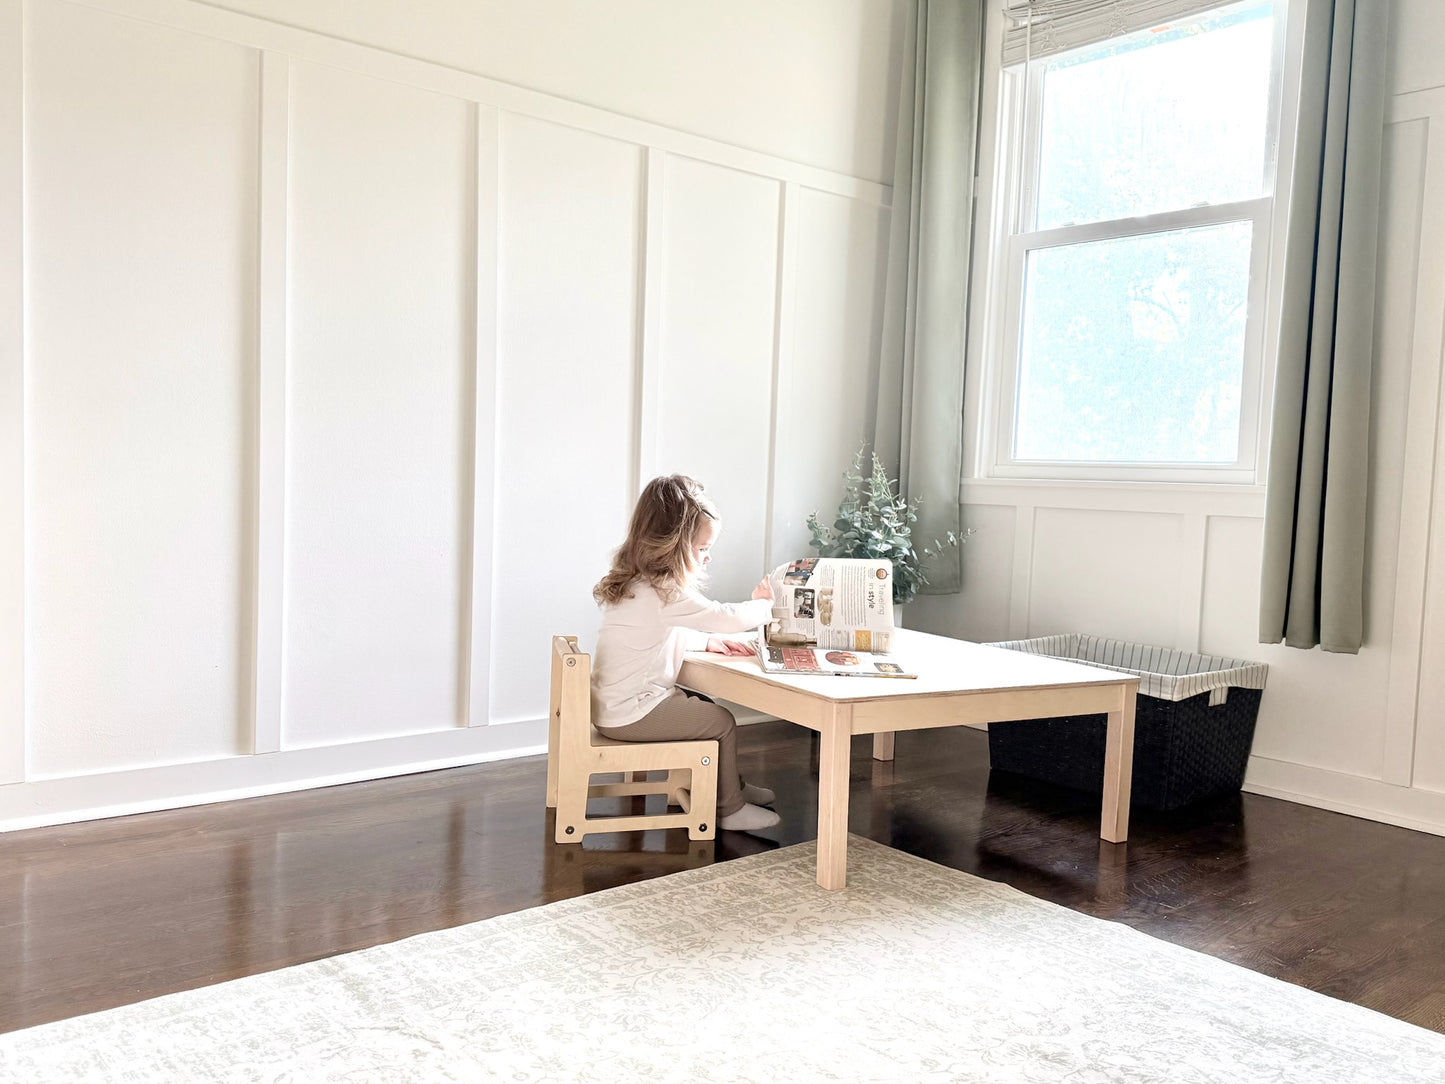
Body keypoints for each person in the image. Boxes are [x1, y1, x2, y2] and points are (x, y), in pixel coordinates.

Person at [591, 475, 781, 832]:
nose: (707, 558)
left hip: (614, 705)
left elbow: (654, 638)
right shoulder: (665, 591)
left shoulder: (638, 584)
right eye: (702, 548)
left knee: (702, 705)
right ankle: (729, 809)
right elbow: (724, 617)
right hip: (630, 712)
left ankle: (730, 786)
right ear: (672, 545)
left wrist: (703, 643)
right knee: (720, 721)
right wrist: (766, 606)